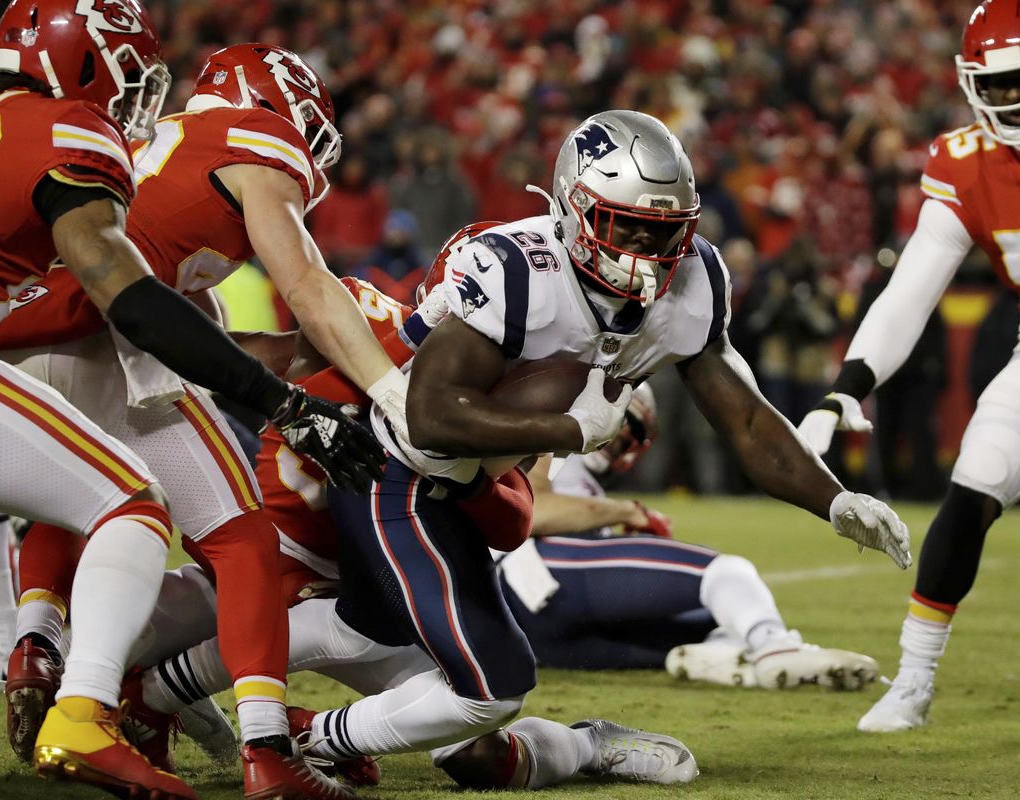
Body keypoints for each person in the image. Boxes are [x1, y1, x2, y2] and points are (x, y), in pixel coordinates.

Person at [286, 110, 910, 787]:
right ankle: (297, 736)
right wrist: (570, 431)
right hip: (401, 470)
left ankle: (180, 688)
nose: (646, 248)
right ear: (574, 208)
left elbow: (749, 423)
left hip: (483, 495)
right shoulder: (520, 266)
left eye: (665, 231)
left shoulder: (694, 281)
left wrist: (835, 499)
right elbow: (430, 415)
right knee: (486, 682)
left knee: (444, 709)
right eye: (628, 225)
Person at [0, 3, 380, 799]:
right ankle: (256, 747)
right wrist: (294, 402)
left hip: (7, 336)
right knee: (218, 532)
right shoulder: (145, 134)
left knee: (81, 493)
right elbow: (143, 295)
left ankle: (35, 641)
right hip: (71, 336)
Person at [118, 275, 700, 790]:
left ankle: (584, 744)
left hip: (358, 596)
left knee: (479, 754)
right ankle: (158, 698)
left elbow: (516, 520)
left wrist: (466, 473)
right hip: (255, 561)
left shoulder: (502, 399)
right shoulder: (359, 321)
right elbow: (248, 358)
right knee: (113, 650)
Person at [795, 0, 1020, 733]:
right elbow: (908, 295)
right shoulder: (965, 163)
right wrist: (846, 389)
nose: (1012, 99)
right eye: (994, 86)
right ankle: (912, 681)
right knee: (978, 475)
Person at [505, 384, 879, 691]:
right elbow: (533, 512)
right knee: (725, 572)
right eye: (621, 426)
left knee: (713, 622)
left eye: (628, 433)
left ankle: (728, 658)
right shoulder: (553, 444)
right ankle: (775, 645)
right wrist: (628, 511)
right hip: (529, 581)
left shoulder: (584, 484)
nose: (617, 441)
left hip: (546, 636)